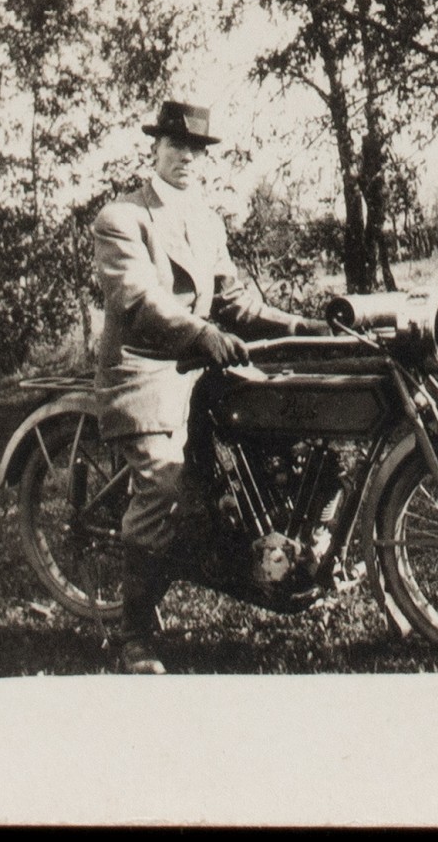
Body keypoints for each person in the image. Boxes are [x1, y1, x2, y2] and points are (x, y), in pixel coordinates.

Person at [90, 101, 327, 674]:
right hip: (146, 370)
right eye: (177, 147)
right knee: (165, 490)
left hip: (201, 370)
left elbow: (234, 300)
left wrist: (297, 325)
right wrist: (200, 331)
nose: (187, 159)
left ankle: (282, 551)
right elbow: (140, 302)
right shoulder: (123, 218)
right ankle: (134, 633)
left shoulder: (205, 218)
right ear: (155, 149)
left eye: (197, 150)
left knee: (285, 433)